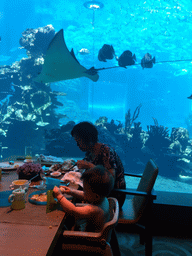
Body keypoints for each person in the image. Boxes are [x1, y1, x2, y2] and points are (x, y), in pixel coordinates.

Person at [71, 121, 126, 208]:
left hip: (112, 197)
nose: (77, 145)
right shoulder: (89, 152)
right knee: (72, 193)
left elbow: (110, 178)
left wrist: (89, 166)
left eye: (79, 141)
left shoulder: (106, 152)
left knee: (72, 200)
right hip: (98, 192)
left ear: (88, 139)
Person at [53, 165, 114, 232]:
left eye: (85, 190)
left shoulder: (95, 210)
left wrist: (59, 196)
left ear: (96, 196)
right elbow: (86, 195)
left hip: (90, 239)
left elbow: (73, 210)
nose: (84, 192)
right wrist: (71, 191)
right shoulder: (102, 198)